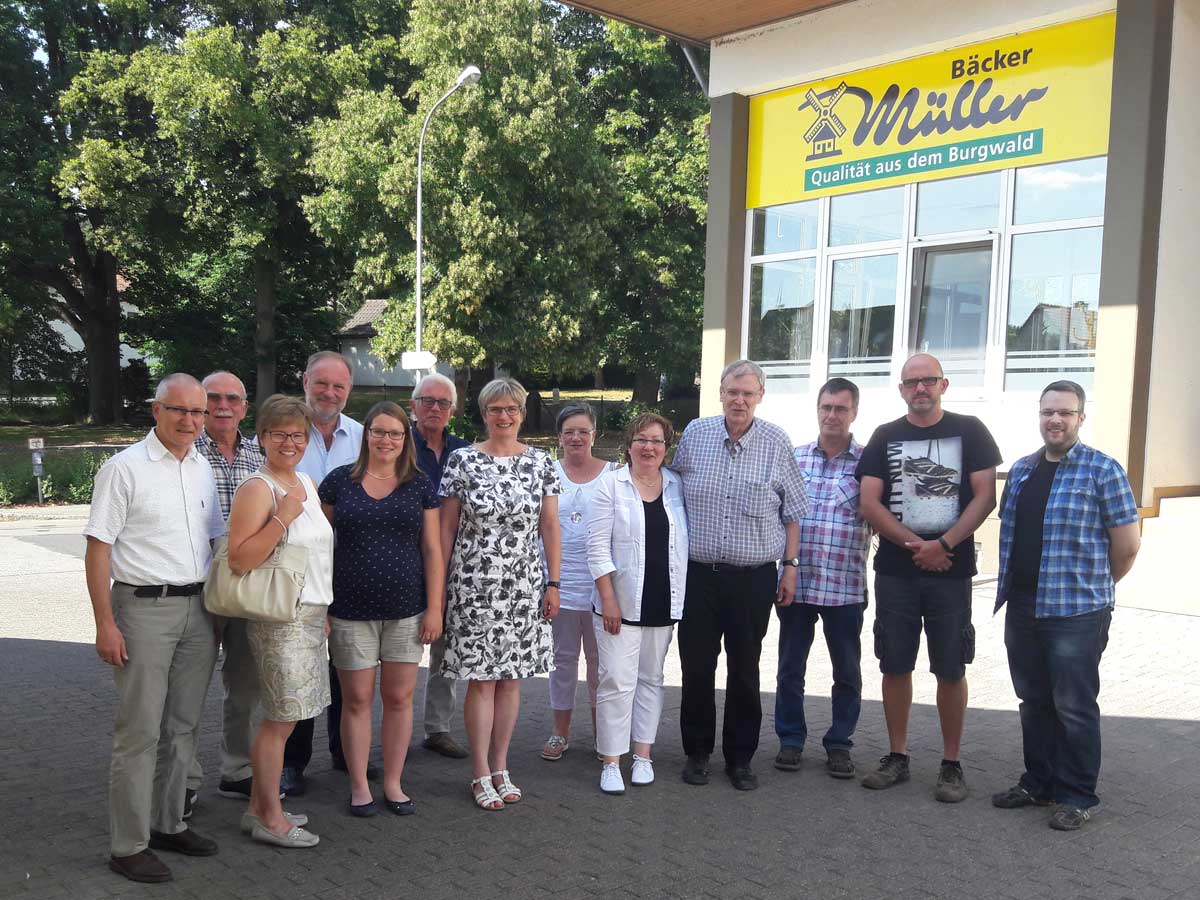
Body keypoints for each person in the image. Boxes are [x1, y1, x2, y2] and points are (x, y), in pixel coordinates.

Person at [84, 373, 224, 883]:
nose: (190, 421)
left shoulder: (203, 467)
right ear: (156, 410)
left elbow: (212, 546)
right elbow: (98, 548)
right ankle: (128, 844)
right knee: (139, 731)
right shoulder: (124, 469)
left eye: (198, 413)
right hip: (142, 610)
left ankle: (169, 822)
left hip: (197, 610)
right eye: (179, 410)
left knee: (182, 726)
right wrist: (104, 623)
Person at [991, 381, 1140, 830]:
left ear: (1080, 417)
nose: (1055, 420)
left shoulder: (1103, 470)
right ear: (1039, 415)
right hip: (1023, 605)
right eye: (1048, 412)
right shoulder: (1020, 470)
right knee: (1032, 700)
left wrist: (1095, 588)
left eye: (1065, 412)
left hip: (1077, 612)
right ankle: (1039, 782)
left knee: (1073, 705)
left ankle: (1078, 795)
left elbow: (1128, 546)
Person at [855, 353, 1001, 802]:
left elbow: (985, 495)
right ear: (901, 389)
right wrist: (916, 546)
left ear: (944, 385)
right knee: (894, 664)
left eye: (929, 381)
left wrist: (946, 545)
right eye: (912, 382)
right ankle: (897, 757)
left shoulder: (970, 429)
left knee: (950, 667)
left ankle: (951, 764)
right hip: (897, 573)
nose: (920, 388)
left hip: (951, 574)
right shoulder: (885, 437)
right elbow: (869, 503)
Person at [671, 359, 809, 791]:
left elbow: (793, 513)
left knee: (745, 669)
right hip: (699, 576)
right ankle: (697, 752)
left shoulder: (776, 442)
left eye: (748, 393)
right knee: (695, 667)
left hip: (753, 578)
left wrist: (789, 569)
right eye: (733, 391)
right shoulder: (695, 435)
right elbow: (671, 491)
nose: (739, 400)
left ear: (760, 397)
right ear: (720, 392)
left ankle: (740, 757)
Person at [438, 378, 562, 810]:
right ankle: (479, 773)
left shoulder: (542, 463)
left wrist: (553, 582)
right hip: (474, 584)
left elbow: (549, 527)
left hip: (525, 585)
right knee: (482, 680)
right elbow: (447, 529)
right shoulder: (462, 461)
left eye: (511, 409)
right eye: (495, 409)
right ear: (484, 413)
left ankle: (501, 766)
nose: (504, 416)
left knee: (512, 679)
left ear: (522, 414)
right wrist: (439, 591)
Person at [319, 401, 445, 817]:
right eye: (379, 431)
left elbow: (432, 549)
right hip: (350, 610)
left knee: (399, 698)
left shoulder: (420, 484)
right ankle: (359, 785)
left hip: (406, 610)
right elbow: (321, 547)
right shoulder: (339, 482)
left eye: (395, 433)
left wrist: (434, 608)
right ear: (366, 435)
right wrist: (320, 605)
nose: (386, 440)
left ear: (404, 439)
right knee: (355, 701)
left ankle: (393, 782)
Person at [227, 394, 332, 848]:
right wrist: (281, 519)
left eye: (297, 435)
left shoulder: (304, 481)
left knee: (287, 718)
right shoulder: (259, 487)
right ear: (262, 437)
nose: (289, 442)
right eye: (279, 434)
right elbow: (239, 558)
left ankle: (259, 806)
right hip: (280, 618)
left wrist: (322, 611)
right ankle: (270, 817)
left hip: (309, 614)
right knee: (279, 721)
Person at [775, 377, 870, 779]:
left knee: (846, 672)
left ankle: (839, 744)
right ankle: (791, 740)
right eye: (826, 407)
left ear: (854, 413)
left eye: (841, 409)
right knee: (790, 668)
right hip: (797, 583)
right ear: (817, 410)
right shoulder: (793, 458)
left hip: (846, 586)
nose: (832, 415)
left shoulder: (870, 463)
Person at [588, 413, 688, 794]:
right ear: (628, 444)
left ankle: (643, 755)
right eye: (642, 440)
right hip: (621, 603)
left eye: (658, 441)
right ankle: (611, 761)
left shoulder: (676, 484)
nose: (650, 447)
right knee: (615, 680)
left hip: (664, 599)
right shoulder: (610, 485)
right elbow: (595, 548)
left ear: (667, 448)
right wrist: (608, 598)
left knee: (651, 679)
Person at [282, 350, 364, 796]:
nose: (330, 393)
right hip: (297, 571)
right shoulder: (287, 432)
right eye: (322, 383)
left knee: (348, 666)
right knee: (301, 667)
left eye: (339, 386)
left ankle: (344, 751)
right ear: (305, 381)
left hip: (350, 568)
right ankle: (293, 762)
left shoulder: (363, 436)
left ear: (348, 390)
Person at [185, 371, 266, 814]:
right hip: (195, 584)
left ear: (244, 407)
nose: (222, 406)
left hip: (247, 588)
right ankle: (185, 778)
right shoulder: (185, 452)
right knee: (190, 686)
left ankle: (237, 770)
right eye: (212, 398)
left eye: (232, 399)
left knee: (245, 684)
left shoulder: (259, 454)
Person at [542, 401, 614, 762]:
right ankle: (560, 732)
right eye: (569, 432)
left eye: (583, 431)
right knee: (563, 661)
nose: (576, 438)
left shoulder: (615, 475)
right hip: (560, 586)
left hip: (603, 590)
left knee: (603, 665)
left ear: (594, 434)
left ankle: (606, 736)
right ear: (559, 437)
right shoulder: (547, 473)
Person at [409, 373, 471, 760]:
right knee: (396, 651)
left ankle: (438, 727)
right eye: (427, 401)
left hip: (450, 563)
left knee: (446, 650)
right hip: (402, 558)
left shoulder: (464, 453)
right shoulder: (398, 445)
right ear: (413, 406)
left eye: (442, 403)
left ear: (453, 410)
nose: (434, 408)